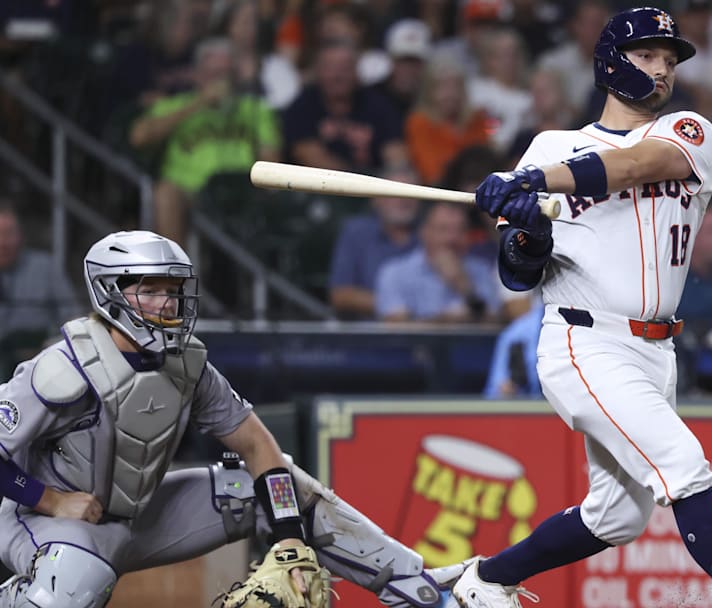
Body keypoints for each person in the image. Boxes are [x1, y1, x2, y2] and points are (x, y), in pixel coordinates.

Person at [454, 8, 712, 608]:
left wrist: (537, 181)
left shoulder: (689, 131)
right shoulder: (553, 146)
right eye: (648, 56)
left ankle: (485, 579)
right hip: (582, 342)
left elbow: (637, 165)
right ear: (612, 62)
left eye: (668, 59)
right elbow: (518, 275)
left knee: (615, 519)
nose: (662, 69)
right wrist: (529, 229)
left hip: (655, 350)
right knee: (684, 464)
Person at [0, 230, 465, 608]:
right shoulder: (63, 367)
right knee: (75, 581)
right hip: (44, 520)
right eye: (150, 290)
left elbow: (259, 448)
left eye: (173, 290)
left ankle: (415, 586)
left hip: (138, 516)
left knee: (274, 486)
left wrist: (288, 542)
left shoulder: (188, 365)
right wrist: (50, 501)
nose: (167, 303)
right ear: (110, 292)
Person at [128, 37, 282, 245]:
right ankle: (177, 271)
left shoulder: (254, 109)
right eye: (214, 75)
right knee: (165, 193)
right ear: (199, 76)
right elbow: (139, 137)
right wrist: (199, 103)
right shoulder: (177, 105)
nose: (221, 82)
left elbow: (271, 158)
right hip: (190, 193)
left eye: (227, 75)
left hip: (240, 193)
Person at [281, 39, 407, 174]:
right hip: (319, 189)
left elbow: (397, 156)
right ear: (317, 71)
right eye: (330, 68)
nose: (337, 75)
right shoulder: (302, 107)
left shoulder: (378, 105)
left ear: (356, 72)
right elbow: (311, 159)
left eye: (345, 68)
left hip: (373, 187)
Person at [374, 202, 500, 322]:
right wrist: (445, 321)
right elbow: (396, 326)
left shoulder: (481, 270)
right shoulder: (395, 272)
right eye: (443, 229)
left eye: (460, 230)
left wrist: (465, 287)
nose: (452, 238)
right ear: (424, 232)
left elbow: (493, 323)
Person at [327, 165, 421, 319]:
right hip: (368, 336)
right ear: (376, 199)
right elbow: (340, 295)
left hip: (425, 336)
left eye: (412, 194)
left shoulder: (432, 233)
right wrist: (396, 307)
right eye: (396, 193)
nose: (404, 201)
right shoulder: (357, 233)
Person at [0, 199, 81, 343]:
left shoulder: (45, 267)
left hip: (40, 355)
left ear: (20, 235)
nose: (3, 242)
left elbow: (73, 318)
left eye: (9, 233)